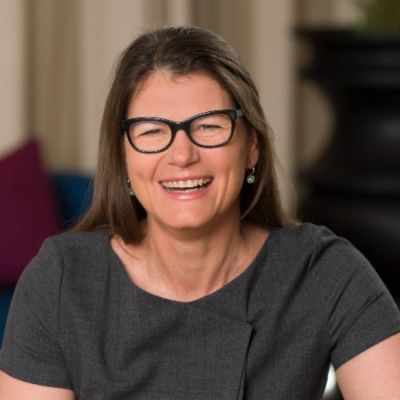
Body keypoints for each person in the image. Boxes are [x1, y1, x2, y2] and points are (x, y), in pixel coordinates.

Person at [0, 25, 399, 400]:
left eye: (209, 126)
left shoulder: (323, 272)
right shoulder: (61, 280)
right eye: (153, 130)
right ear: (122, 158)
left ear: (252, 148)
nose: (182, 155)